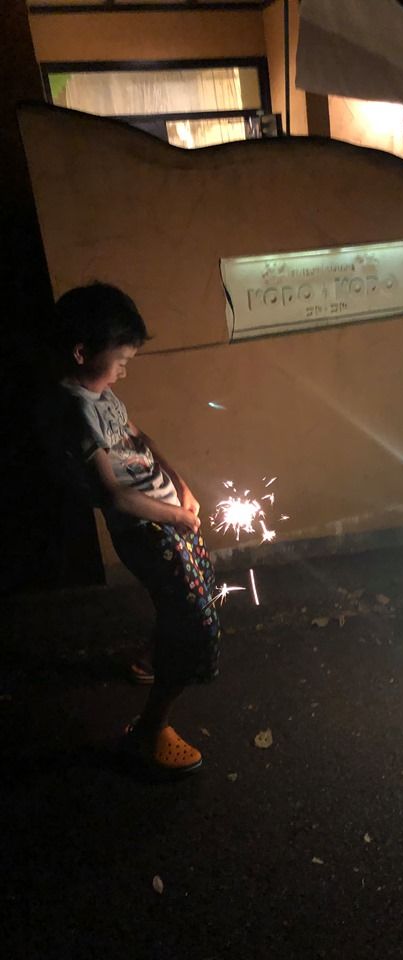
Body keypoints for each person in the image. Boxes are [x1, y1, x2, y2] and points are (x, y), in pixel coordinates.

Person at [53, 282, 220, 774]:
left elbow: (139, 438)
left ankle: (148, 660)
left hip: (170, 519)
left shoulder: (101, 393)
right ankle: (149, 731)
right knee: (194, 621)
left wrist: (180, 485)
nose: (124, 369)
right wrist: (177, 517)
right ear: (82, 352)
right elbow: (115, 495)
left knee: (193, 593)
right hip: (148, 532)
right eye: (121, 360)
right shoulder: (76, 410)